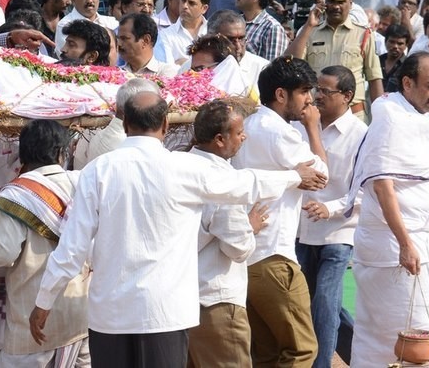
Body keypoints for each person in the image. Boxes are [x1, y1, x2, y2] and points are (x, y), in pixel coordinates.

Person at [30, 90, 324, 368]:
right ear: (165, 125)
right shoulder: (183, 168)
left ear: (126, 123)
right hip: (165, 314)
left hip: (111, 315)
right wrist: (294, 176)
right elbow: (246, 184)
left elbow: (72, 247)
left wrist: (44, 301)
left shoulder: (98, 170)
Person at [348, 52, 429, 368]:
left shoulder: (418, 119)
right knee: (408, 334)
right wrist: (405, 243)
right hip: (391, 247)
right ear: (407, 83)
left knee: (412, 329)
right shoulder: (391, 119)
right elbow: (382, 186)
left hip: (413, 240)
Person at [0, 119, 90, 367]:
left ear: (23, 154)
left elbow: (3, 252)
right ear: (61, 153)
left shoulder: (16, 195)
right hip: (78, 315)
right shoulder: (82, 185)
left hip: (32, 319)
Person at [230, 57, 328, 366]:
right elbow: (322, 175)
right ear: (281, 95)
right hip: (274, 257)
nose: (309, 99)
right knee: (302, 349)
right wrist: (313, 127)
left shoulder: (249, 125)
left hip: (248, 257)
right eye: (304, 91)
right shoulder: (280, 131)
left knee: (267, 354)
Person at [185, 101, 269, 368]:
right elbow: (239, 248)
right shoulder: (223, 180)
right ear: (220, 139)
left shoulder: (180, 166)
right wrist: (250, 227)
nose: (244, 137)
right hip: (216, 302)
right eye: (239, 132)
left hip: (182, 300)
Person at [296, 66, 365, 368]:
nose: (317, 96)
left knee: (324, 301)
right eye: (317, 89)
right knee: (321, 303)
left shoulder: (361, 135)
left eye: (326, 91)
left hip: (339, 230)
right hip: (301, 230)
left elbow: (364, 191)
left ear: (347, 96)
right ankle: (364, 358)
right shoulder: (299, 125)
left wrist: (331, 208)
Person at [286, 0, 382, 113]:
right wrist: (308, 26)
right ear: (324, 2)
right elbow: (290, 64)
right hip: (318, 113)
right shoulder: (310, 31)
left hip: (353, 114)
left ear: (350, 3)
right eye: (331, 1)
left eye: (341, 2)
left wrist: (379, 116)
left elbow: (374, 78)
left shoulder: (364, 34)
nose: (336, 6)